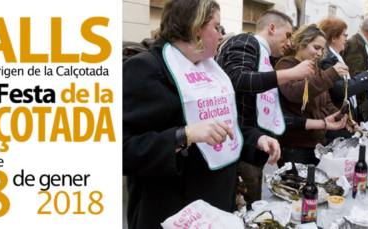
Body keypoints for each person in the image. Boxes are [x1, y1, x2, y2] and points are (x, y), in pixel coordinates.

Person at [122, 1, 282, 228]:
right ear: (195, 27)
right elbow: (123, 149)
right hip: (172, 211)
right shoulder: (146, 69)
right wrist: (183, 135)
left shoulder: (211, 68)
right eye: (217, 27)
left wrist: (256, 139)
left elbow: (223, 125)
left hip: (216, 207)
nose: (221, 35)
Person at [215, 10, 338, 209]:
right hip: (236, 143)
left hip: (251, 143)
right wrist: (290, 74)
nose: (290, 42)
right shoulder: (247, 41)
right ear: (272, 28)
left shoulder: (265, 57)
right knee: (248, 207)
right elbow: (238, 78)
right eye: (288, 35)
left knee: (252, 203)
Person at [275, 24, 351, 166]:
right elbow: (295, 93)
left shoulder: (314, 68)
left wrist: (342, 117)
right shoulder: (285, 65)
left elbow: (326, 102)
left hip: (317, 144)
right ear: (301, 44)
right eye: (316, 48)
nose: (319, 54)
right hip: (294, 147)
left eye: (322, 50)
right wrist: (331, 75)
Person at [319, 17, 368, 142]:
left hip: (345, 115)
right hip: (336, 117)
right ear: (334, 38)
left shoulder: (335, 57)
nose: (346, 38)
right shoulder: (327, 60)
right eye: (344, 35)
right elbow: (342, 88)